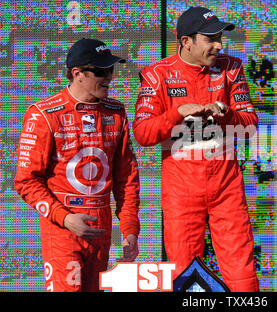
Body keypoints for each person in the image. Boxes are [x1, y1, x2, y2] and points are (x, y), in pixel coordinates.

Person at [133, 7, 259, 292]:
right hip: (181, 189)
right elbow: (142, 133)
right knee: (184, 272)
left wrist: (225, 114)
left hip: (226, 185)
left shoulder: (231, 67)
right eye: (210, 38)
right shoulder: (157, 75)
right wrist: (177, 113)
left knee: (241, 268)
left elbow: (250, 125)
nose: (219, 45)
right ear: (186, 41)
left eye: (220, 38)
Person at [14, 38, 141, 292]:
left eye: (111, 70)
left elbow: (126, 177)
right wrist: (65, 218)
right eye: (100, 71)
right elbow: (25, 181)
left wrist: (130, 230)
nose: (108, 77)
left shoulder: (116, 112)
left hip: (102, 229)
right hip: (62, 228)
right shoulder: (43, 114)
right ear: (77, 74)